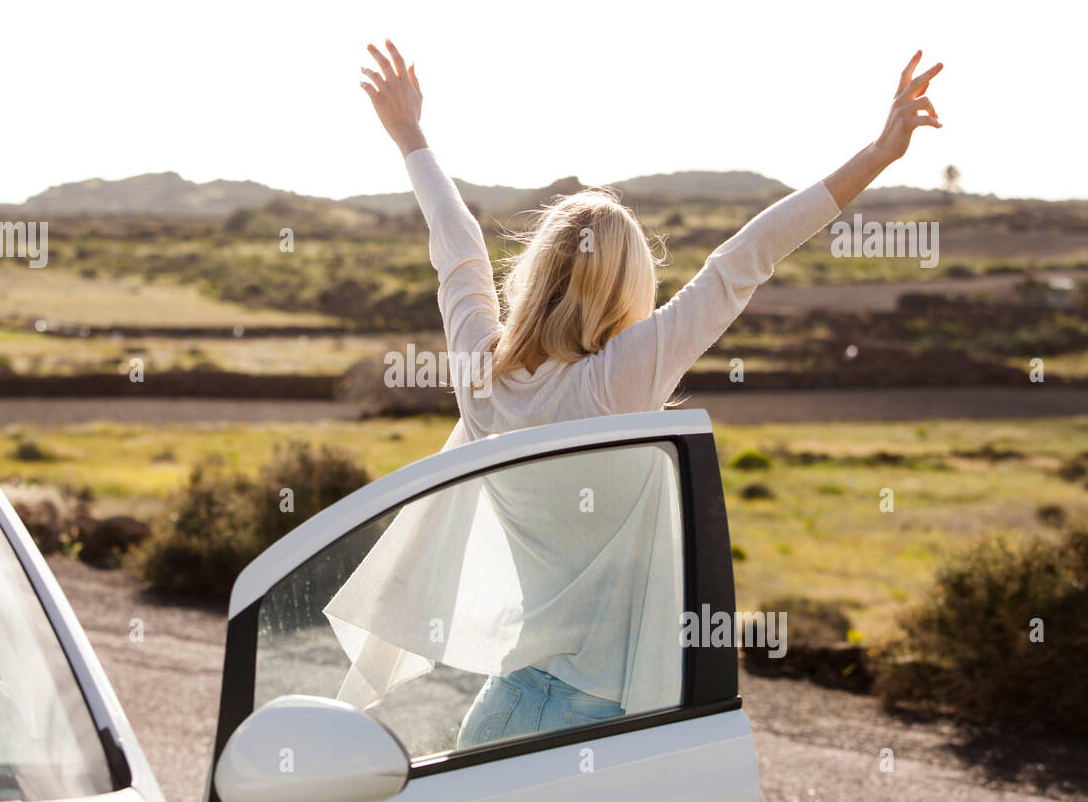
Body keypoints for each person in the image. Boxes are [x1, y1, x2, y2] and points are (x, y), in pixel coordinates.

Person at [325, 40, 943, 749]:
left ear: (533, 275)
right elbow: (744, 260)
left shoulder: (482, 377)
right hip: (621, 719)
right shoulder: (622, 377)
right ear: (627, 286)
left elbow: (457, 246)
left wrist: (409, 135)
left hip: (509, 708)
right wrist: (879, 151)